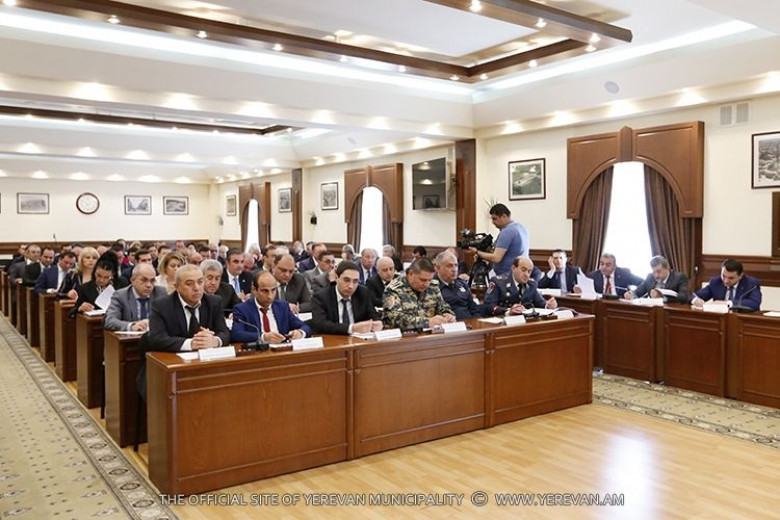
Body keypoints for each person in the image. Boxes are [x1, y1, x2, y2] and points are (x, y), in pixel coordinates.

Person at [145, 264, 230, 352]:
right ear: (177, 286)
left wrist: (214, 341)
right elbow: (157, 339)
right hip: (174, 357)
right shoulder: (162, 305)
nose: (196, 288)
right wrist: (191, 343)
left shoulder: (214, 302)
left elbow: (224, 332)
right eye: (189, 284)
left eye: (200, 282)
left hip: (205, 357)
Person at [231, 271, 311, 344]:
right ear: (254, 290)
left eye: (273, 290)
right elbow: (236, 334)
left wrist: (300, 333)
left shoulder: (282, 307)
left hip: (282, 349)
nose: (270, 296)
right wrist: (264, 337)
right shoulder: (242, 309)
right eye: (265, 291)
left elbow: (305, 327)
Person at [311, 261, 383, 335]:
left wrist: (378, 323)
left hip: (359, 339)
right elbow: (320, 324)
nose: (351, 286)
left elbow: (373, 315)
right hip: (333, 338)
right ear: (336, 278)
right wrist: (351, 328)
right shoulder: (321, 297)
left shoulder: (363, 293)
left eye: (355, 281)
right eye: (346, 280)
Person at [383, 258, 455, 330]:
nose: (426, 284)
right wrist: (427, 322)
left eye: (430, 280)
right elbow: (394, 319)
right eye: (422, 280)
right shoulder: (393, 289)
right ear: (411, 273)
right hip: (405, 335)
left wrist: (448, 316)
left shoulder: (433, 286)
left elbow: (443, 308)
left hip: (431, 333)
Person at [468, 203, 529, 277]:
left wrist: (477, 252)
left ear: (504, 216)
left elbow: (496, 258)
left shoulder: (507, 232)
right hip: (520, 273)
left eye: (495, 219)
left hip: (507, 276)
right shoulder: (520, 227)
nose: (493, 222)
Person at [483, 257, 557, 316]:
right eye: (523, 270)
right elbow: (488, 305)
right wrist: (508, 311)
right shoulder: (497, 282)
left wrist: (548, 305)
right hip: (503, 322)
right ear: (513, 268)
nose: (526, 274)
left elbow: (540, 303)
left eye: (529, 271)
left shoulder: (531, 284)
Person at [104, 264, 167, 332]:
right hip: (131, 337)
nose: (149, 285)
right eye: (144, 280)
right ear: (132, 280)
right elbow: (109, 320)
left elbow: (171, 317)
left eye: (152, 281)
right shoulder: (121, 296)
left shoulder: (161, 293)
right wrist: (131, 326)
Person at [71, 252, 129, 316]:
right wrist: (80, 308)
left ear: (113, 274)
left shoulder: (121, 284)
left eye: (106, 277)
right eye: (99, 275)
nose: (101, 280)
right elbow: (72, 312)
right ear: (94, 272)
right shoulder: (85, 288)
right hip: (94, 320)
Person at [691, 259, 762, 311]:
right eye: (723, 276)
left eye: (731, 278)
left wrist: (727, 303)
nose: (726, 281)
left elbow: (754, 303)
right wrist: (695, 300)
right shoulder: (716, 282)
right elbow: (694, 295)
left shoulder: (751, 284)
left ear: (740, 276)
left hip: (743, 320)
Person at [433, 251, 480, 320]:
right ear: (438, 268)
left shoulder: (463, 284)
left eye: (456, 265)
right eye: (449, 266)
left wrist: (476, 323)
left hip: (469, 323)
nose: (454, 269)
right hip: (448, 323)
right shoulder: (431, 286)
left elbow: (474, 309)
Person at [624, 256, 690, 303]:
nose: (656, 275)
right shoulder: (650, 277)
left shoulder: (679, 277)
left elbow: (684, 297)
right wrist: (631, 294)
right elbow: (639, 291)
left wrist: (663, 298)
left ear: (667, 268)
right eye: (654, 272)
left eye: (658, 271)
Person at [575, 253, 643, 298]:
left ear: (614, 266)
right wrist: (579, 290)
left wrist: (632, 293)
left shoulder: (624, 273)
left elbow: (642, 283)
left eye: (608, 265)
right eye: (602, 264)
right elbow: (587, 292)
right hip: (600, 306)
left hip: (620, 306)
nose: (604, 267)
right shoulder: (593, 276)